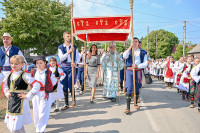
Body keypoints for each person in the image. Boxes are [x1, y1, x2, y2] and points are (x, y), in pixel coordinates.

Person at [3, 55, 40, 133]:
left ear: (22, 64)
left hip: (21, 102)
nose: (13, 65)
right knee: (14, 124)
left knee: (17, 124)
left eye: (16, 64)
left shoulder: (25, 75)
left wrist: (27, 95)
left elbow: (37, 85)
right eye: (12, 63)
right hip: (11, 102)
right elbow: (4, 84)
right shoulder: (9, 75)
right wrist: (7, 93)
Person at [31, 55, 58, 132]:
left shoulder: (48, 72)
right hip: (35, 94)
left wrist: (48, 87)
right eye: (37, 63)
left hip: (45, 94)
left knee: (43, 112)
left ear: (45, 63)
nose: (39, 65)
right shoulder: (34, 71)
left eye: (40, 63)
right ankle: (37, 125)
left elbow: (54, 81)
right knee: (36, 111)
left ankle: (40, 130)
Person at [123, 37, 148, 114]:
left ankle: (136, 103)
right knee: (130, 87)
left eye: (136, 41)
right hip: (129, 70)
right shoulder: (129, 51)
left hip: (138, 71)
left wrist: (138, 66)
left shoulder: (143, 52)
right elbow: (124, 56)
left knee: (137, 87)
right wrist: (130, 47)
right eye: (133, 41)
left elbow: (145, 63)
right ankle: (128, 107)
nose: (134, 43)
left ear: (138, 43)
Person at [58, 31, 80, 111]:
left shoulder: (74, 46)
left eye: (70, 36)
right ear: (63, 37)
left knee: (71, 84)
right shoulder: (61, 47)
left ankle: (73, 101)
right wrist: (69, 52)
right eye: (67, 36)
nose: (68, 37)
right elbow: (61, 58)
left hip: (71, 67)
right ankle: (66, 103)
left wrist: (75, 63)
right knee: (64, 85)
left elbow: (77, 57)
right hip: (64, 67)